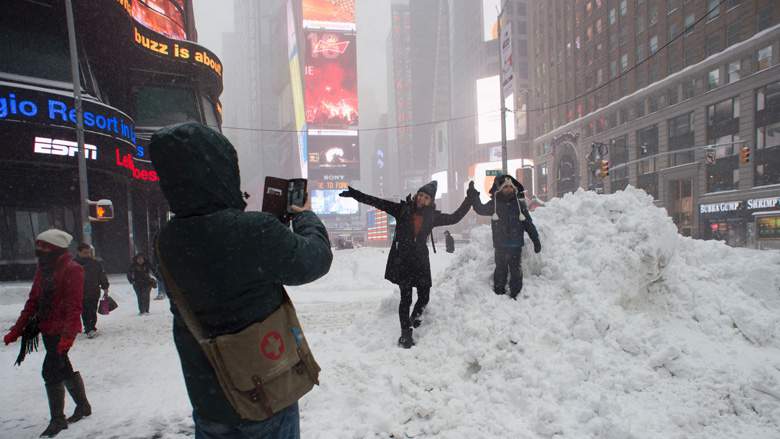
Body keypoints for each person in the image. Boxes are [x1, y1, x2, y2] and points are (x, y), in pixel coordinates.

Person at [150, 122, 332, 439]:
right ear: (221, 171)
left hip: (209, 399)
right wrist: (303, 216)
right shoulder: (254, 231)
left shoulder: (166, 241)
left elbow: (210, 271)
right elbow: (314, 260)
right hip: (265, 389)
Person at [339, 181, 477, 348]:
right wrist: (356, 195)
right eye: (420, 195)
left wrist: (469, 199)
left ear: (430, 201)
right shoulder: (402, 209)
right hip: (403, 261)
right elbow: (377, 202)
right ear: (416, 195)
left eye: (426, 198)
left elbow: (455, 217)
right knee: (406, 298)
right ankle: (405, 333)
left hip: (421, 263)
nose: (421, 199)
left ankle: (412, 321)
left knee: (424, 296)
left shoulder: (432, 216)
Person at [3, 229, 92, 437]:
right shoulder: (43, 269)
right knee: (62, 367)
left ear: (54, 247)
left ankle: (58, 420)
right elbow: (33, 302)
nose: (38, 249)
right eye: (38, 245)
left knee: (50, 370)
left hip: (62, 331)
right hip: (48, 329)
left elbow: (74, 306)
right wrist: (16, 331)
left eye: (42, 246)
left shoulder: (73, 269)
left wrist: (67, 337)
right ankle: (83, 406)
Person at [472, 175, 541, 299]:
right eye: (505, 187)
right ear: (500, 189)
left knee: (516, 270)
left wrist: (536, 240)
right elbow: (480, 209)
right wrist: (473, 195)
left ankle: (515, 294)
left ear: (514, 189)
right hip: (500, 245)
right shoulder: (494, 204)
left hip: (516, 245)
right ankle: (499, 293)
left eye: (510, 187)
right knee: (500, 269)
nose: (508, 189)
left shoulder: (520, 205)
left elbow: (528, 224)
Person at [74, 243, 109, 338]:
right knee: (85, 310)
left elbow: (101, 275)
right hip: (79, 292)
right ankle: (89, 328)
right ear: (79, 252)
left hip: (93, 291)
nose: (87, 255)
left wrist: (105, 287)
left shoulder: (95, 263)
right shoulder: (73, 264)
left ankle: (91, 327)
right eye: (85, 253)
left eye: (88, 252)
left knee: (92, 310)